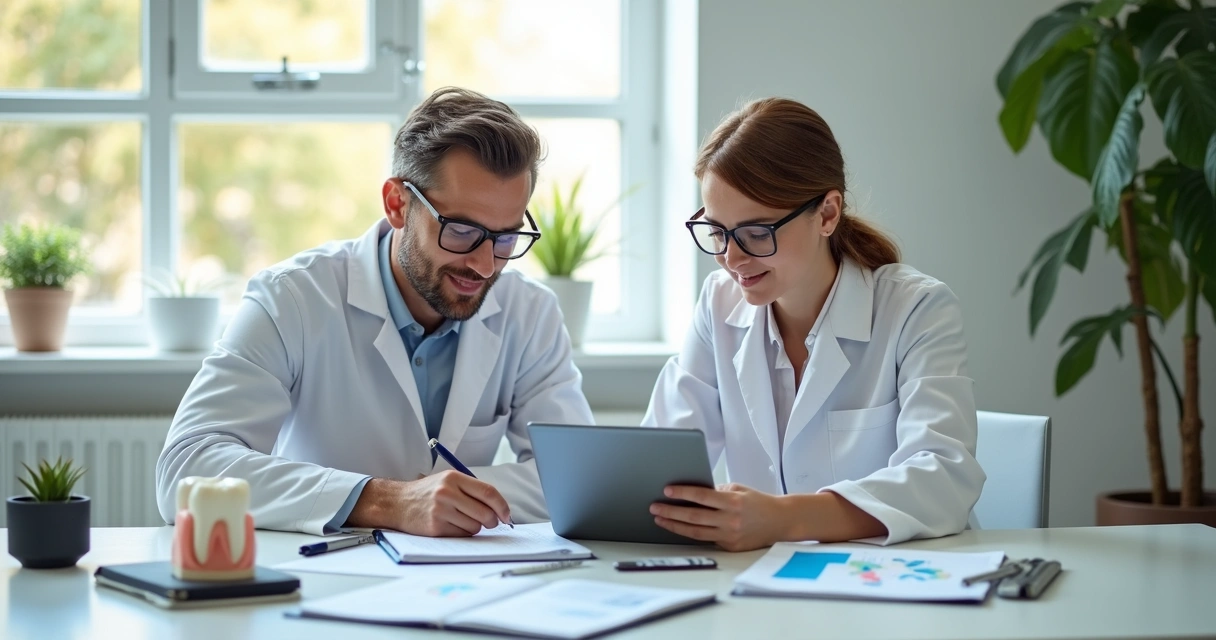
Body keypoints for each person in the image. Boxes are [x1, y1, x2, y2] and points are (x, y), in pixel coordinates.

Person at [156, 87, 594, 536]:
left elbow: (579, 477)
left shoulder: (531, 311)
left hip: (461, 584)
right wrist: (387, 501)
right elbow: (186, 470)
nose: (485, 265)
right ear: (397, 204)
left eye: (505, 238)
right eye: (462, 231)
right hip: (322, 580)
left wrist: (442, 499)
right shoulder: (292, 298)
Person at [643, 97, 984, 551]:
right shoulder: (718, 305)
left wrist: (782, 519)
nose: (731, 257)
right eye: (717, 231)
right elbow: (655, 463)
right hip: (763, 587)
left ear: (827, 213)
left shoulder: (917, 309)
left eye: (756, 233)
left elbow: (943, 480)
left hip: (894, 585)